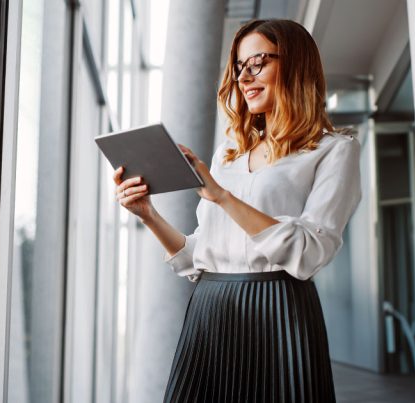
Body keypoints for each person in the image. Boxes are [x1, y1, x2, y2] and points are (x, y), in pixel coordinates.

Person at [114, 19, 361, 403]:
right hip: (211, 309)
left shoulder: (334, 150)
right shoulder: (230, 154)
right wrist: (149, 214)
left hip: (278, 311)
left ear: (295, 65)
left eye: (258, 62)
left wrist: (223, 197)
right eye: (239, 66)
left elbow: (311, 252)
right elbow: (198, 257)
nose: (244, 77)